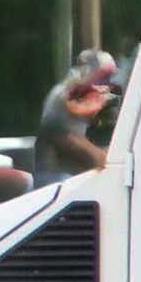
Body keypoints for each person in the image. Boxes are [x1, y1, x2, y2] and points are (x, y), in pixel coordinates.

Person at [34, 49, 117, 183]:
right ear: (86, 72)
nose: (107, 84)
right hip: (55, 179)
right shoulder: (61, 97)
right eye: (103, 76)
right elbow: (67, 141)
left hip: (78, 173)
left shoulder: (94, 98)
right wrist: (109, 162)